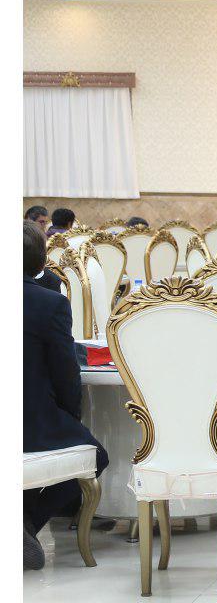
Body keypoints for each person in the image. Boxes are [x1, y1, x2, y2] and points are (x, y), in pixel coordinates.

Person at [23, 221, 108, 570]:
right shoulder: (50, 304)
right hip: (31, 420)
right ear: (41, 262)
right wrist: (72, 413)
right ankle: (28, 523)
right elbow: (65, 372)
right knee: (97, 455)